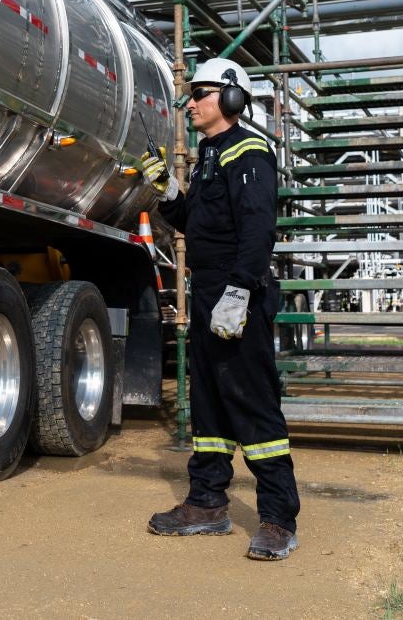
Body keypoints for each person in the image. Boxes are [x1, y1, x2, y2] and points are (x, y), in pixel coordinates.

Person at [140, 56, 301, 561]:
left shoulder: (249, 152)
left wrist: (239, 292)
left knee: (252, 404)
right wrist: (167, 189)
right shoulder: (211, 155)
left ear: (231, 98)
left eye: (200, 94)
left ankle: (277, 518)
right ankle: (207, 504)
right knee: (208, 403)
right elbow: (192, 219)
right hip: (210, 290)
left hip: (237, 294)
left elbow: (257, 230)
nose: (190, 103)